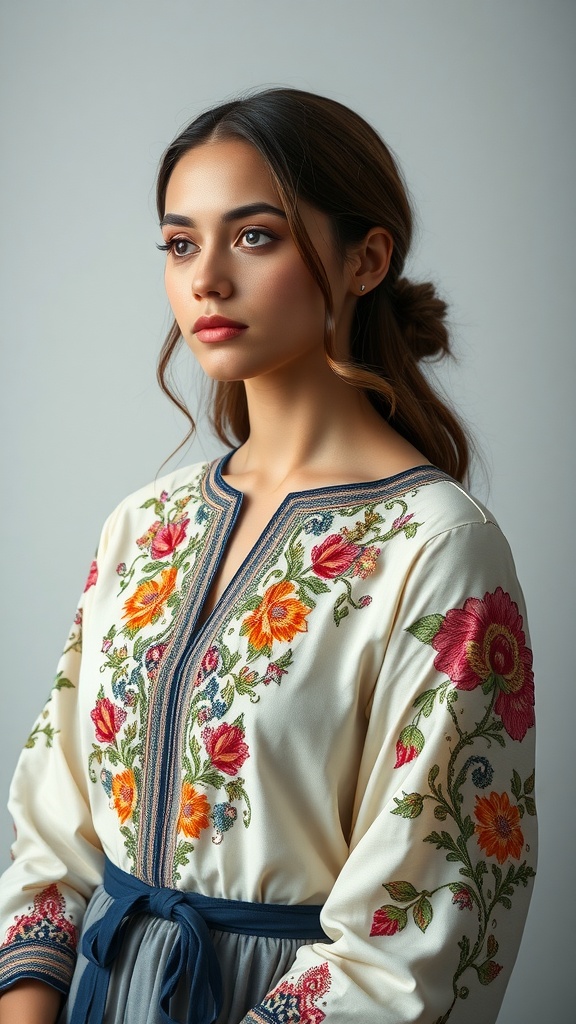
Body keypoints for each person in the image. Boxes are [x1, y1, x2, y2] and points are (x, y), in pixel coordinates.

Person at [0, 88, 536, 1024]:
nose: (205, 278)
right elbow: (53, 830)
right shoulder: (145, 523)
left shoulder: (439, 550)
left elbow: (421, 938)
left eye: (255, 236)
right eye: (179, 243)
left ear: (365, 259)